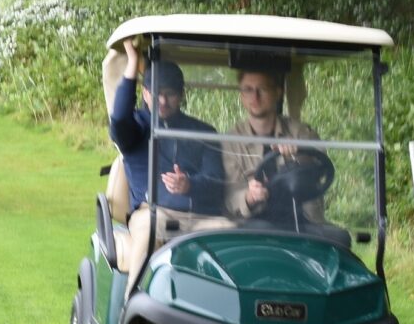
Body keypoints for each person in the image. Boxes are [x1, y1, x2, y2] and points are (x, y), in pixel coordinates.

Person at [110, 40, 226, 292]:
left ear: (181, 95)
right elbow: (118, 118)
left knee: (232, 233)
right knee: (149, 228)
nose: (162, 100)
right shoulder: (136, 128)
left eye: (170, 93)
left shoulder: (203, 132)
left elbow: (218, 182)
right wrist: (132, 63)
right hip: (153, 213)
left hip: (200, 218)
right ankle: (131, 313)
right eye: (156, 92)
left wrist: (190, 185)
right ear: (145, 93)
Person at [222, 63, 326, 224]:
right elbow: (229, 192)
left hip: (303, 221)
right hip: (252, 223)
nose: (255, 97)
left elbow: (321, 169)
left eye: (262, 89)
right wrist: (249, 197)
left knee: (340, 238)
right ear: (241, 95)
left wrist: (299, 154)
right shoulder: (231, 141)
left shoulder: (301, 133)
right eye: (248, 90)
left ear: (278, 93)